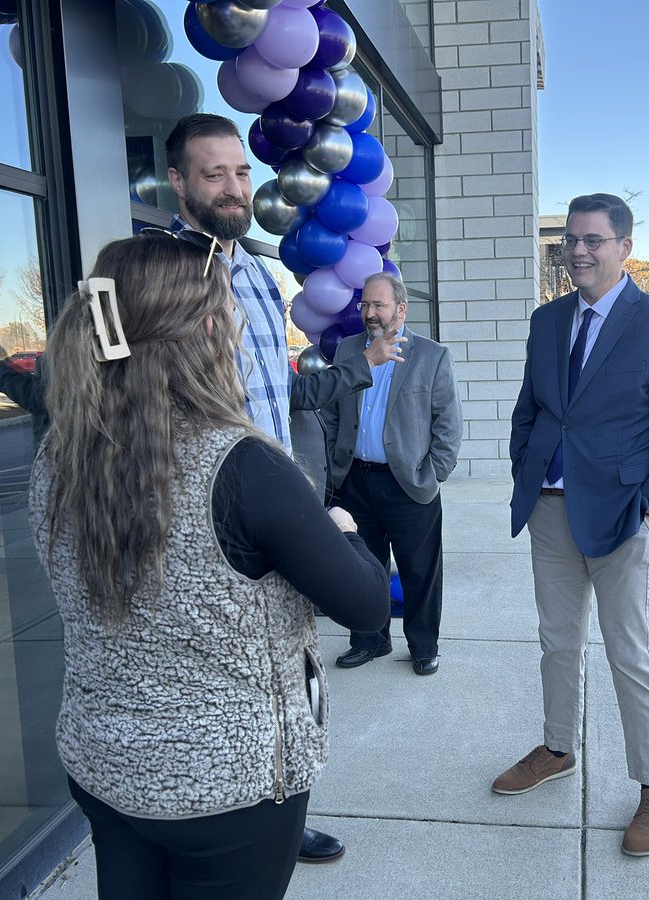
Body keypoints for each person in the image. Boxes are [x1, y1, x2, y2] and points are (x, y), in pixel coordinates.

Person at [30, 232, 389, 900]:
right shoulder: (244, 467)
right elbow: (368, 606)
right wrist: (345, 528)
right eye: (235, 314)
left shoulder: (60, 453)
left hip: (103, 765)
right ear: (206, 329)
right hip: (230, 791)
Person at [164, 113, 401, 861]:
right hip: (215, 512)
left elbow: (280, 397)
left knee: (291, 671)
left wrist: (353, 373)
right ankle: (238, 818)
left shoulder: (260, 276)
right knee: (232, 680)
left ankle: (284, 811)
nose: (234, 188)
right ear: (178, 183)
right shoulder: (163, 278)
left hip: (277, 496)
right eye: (214, 174)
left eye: (240, 172)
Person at [499, 192, 649, 856]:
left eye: (594, 240)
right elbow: (532, 406)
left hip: (620, 516)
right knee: (557, 642)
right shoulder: (548, 320)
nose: (579, 251)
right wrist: (522, 466)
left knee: (629, 654)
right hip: (551, 512)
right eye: (571, 241)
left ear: (625, 247)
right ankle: (559, 747)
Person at [321, 273, 462, 676]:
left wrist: (433, 474)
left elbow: (448, 425)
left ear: (401, 309)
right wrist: (335, 467)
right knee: (362, 568)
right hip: (355, 482)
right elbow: (331, 413)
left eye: (378, 305)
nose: (369, 313)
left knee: (420, 571)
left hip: (409, 484)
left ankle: (423, 647)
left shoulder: (432, 356)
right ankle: (370, 640)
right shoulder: (349, 349)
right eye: (365, 305)